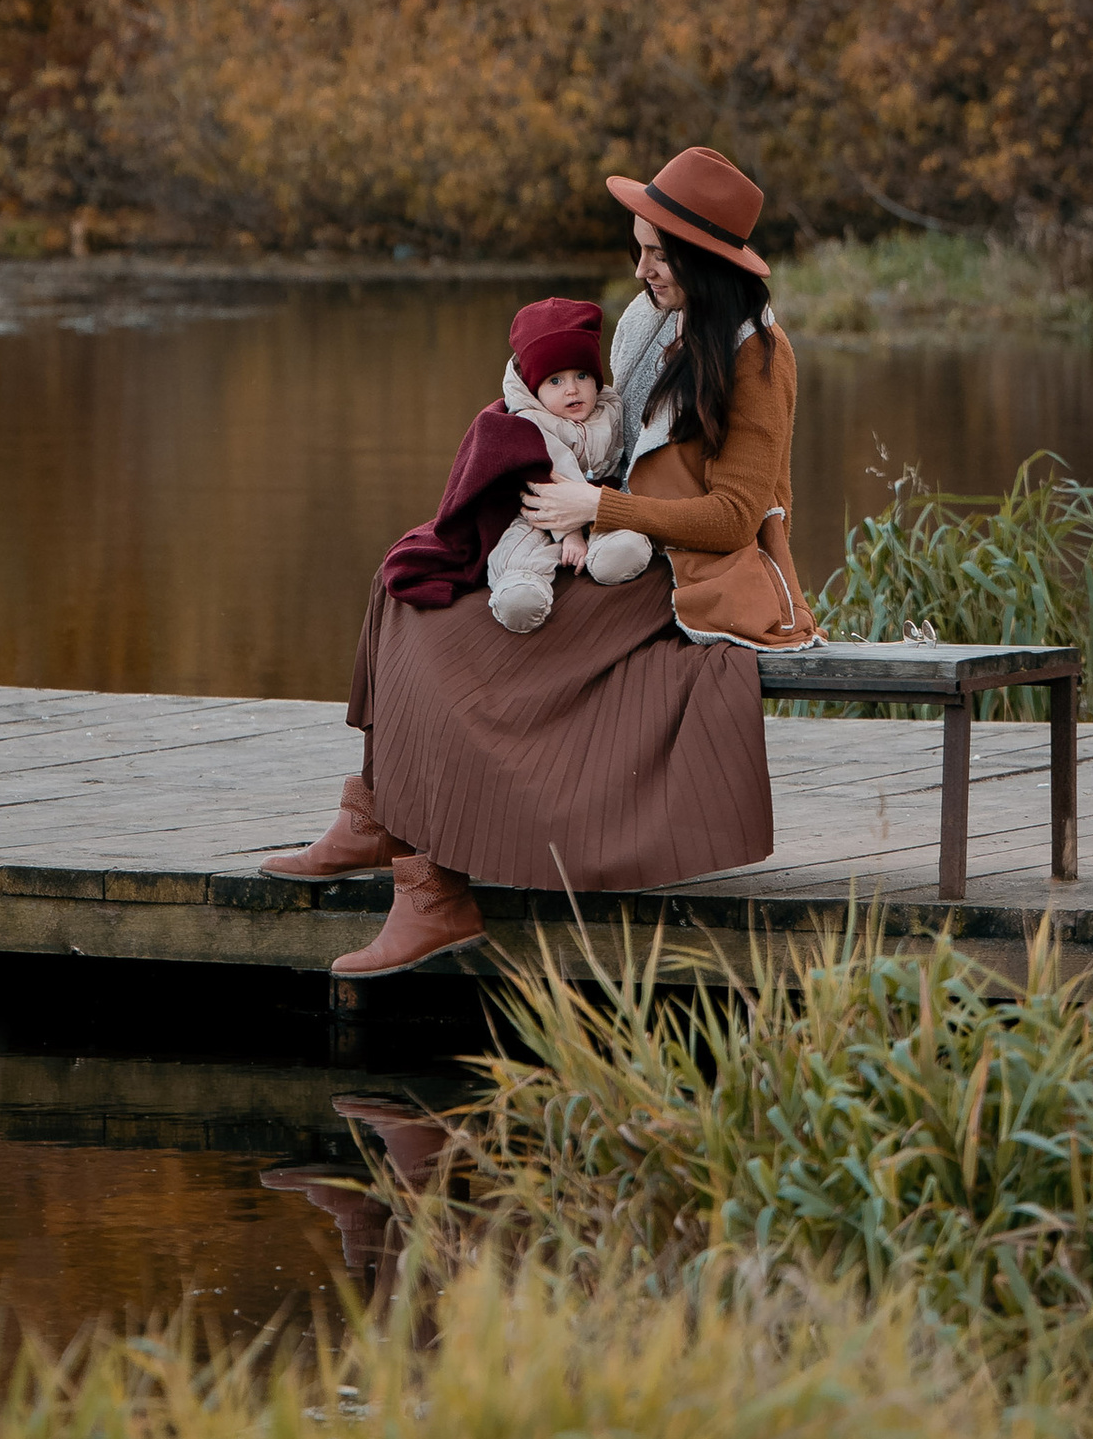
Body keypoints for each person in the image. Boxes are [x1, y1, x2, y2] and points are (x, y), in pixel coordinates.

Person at [263, 144, 818, 978]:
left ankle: (434, 890)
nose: (641, 269)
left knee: (469, 647)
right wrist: (552, 499)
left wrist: (599, 511)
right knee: (412, 579)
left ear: (704, 262)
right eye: (639, 248)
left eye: (658, 255)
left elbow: (736, 516)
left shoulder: (758, 360)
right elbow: (596, 443)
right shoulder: (644, 327)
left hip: (687, 572)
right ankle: (378, 812)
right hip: (601, 538)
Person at [482, 294, 655, 631]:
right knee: (519, 551)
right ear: (535, 389)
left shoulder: (612, 409)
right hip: (542, 512)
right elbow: (548, 473)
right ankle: (520, 591)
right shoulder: (530, 421)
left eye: (582, 376)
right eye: (556, 381)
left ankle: (609, 555)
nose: (573, 390)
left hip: (601, 506)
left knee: (625, 542)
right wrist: (570, 535)